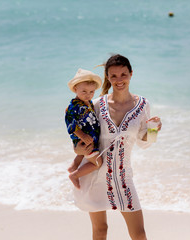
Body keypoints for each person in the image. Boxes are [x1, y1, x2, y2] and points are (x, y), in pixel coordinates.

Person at [74, 54, 162, 240]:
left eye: (123, 74)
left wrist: (154, 129)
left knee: (139, 234)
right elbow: (79, 145)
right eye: (113, 76)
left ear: (131, 74)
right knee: (100, 230)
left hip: (123, 178)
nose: (119, 80)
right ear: (107, 77)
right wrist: (79, 152)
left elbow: (145, 143)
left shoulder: (142, 104)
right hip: (95, 175)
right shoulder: (97, 105)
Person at [65, 68, 104, 189]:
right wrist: (82, 136)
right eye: (84, 91)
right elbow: (71, 124)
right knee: (97, 163)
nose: (88, 95)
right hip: (84, 139)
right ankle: (75, 175)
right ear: (75, 89)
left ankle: (73, 166)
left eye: (91, 92)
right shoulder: (73, 106)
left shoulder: (89, 103)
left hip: (90, 137)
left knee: (82, 154)